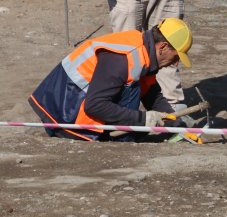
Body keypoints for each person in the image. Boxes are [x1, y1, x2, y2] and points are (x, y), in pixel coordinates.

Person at [27, 18, 194, 141]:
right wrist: (143, 119)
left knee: (135, 89)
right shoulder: (124, 58)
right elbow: (95, 105)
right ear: (163, 47)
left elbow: (151, 93)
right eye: (175, 56)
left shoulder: (143, 52)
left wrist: (174, 122)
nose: (175, 62)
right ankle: (122, 139)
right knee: (132, 89)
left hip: (66, 109)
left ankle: (127, 133)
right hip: (67, 118)